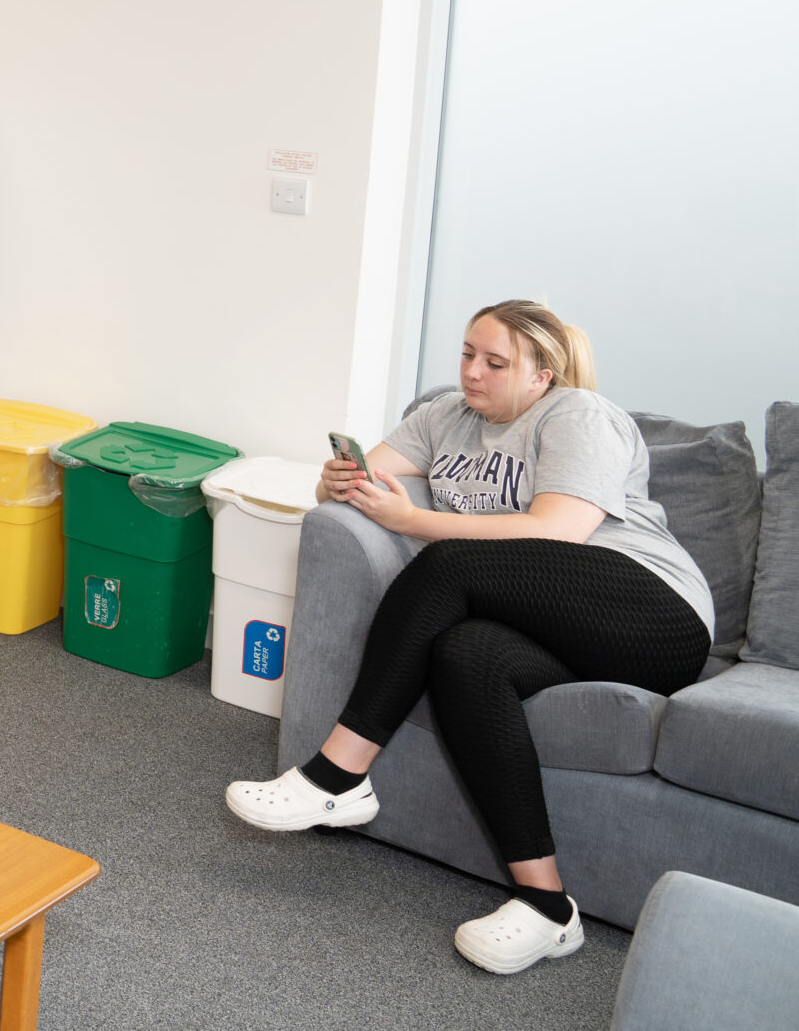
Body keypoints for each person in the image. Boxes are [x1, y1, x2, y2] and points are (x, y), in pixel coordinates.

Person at [225, 299, 713, 976]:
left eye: (494, 361)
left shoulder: (578, 414)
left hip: (651, 614)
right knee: (465, 656)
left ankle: (339, 773)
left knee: (449, 560)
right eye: (466, 353)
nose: (472, 372)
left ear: (543, 374)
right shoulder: (445, 415)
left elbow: (556, 531)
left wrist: (415, 521)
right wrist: (335, 480)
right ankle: (547, 906)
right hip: (555, 626)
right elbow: (374, 479)